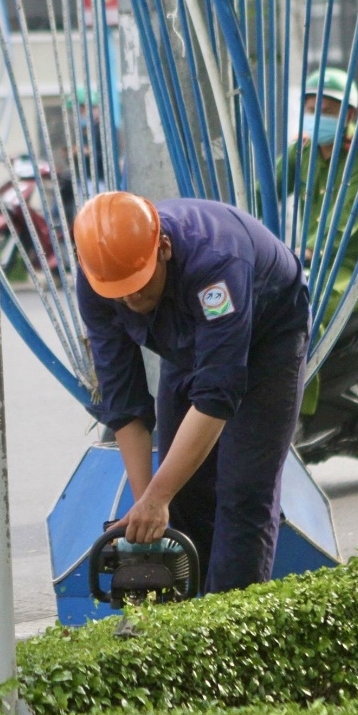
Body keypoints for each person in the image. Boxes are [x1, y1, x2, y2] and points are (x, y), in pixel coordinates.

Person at [75, 192, 310, 592]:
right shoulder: (101, 280)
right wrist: (146, 506)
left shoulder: (216, 262)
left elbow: (216, 396)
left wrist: (155, 498)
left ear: (163, 249)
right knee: (180, 494)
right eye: (119, 292)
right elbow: (124, 400)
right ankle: (184, 625)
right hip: (187, 341)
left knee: (242, 495)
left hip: (269, 340)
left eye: (139, 283)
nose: (130, 299)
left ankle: (230, 633)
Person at [278, 67, 358, 414]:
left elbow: (346, 217)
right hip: (307, 263)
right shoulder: (304, 150)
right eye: (311, 110)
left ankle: (297, 417)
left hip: (354, 268)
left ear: (350, 115)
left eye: (325, 112)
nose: (315, 119)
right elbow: (269, 189)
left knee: (303, 314)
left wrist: (311, 248)